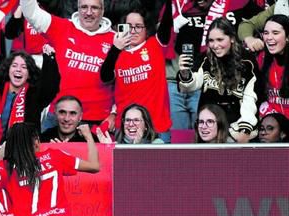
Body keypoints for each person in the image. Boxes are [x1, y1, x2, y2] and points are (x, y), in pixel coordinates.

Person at [20, 0, 116, 131]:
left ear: (102, 11)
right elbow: (31, 12)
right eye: (84, 7)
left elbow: (123, 84)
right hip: (58, 117)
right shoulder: (61, 27)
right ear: (77, 8)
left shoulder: (116, 40)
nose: (88, 12)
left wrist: (114, 113)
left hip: (97, 119)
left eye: (94, 8)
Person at [100, 0, 172, 142]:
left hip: (157, 129)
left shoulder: (155, 45)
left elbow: (166, 22)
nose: (133, 31)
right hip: (127, 130)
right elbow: (105, 76)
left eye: (138, 27)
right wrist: (115, 49)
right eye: (129, 27)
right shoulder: (117, 53)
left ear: (146, 29)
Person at [177, 18, 259, 141]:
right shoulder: (205, 58)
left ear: (231, 38)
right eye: (211, 40)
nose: (215, 45)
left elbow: (250, 98)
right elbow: (190, 86)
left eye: (220, 39)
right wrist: (185, 73)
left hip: (235, 126)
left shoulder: (247, 62)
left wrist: (244, 129)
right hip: (209, 124)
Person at [0, 48, 61, 143]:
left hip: (24, 151)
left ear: (29, 74)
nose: (18, 69)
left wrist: (49, 59)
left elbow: (51, 86)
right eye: (14, 65)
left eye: (24, 67)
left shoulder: (35, 96)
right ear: (8, 70)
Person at [257, 15, 289, 118]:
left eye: (275, 33)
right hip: (272, 121)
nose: (269, 37)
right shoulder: (262, 58)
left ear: (287, 37)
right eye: (266, 33)